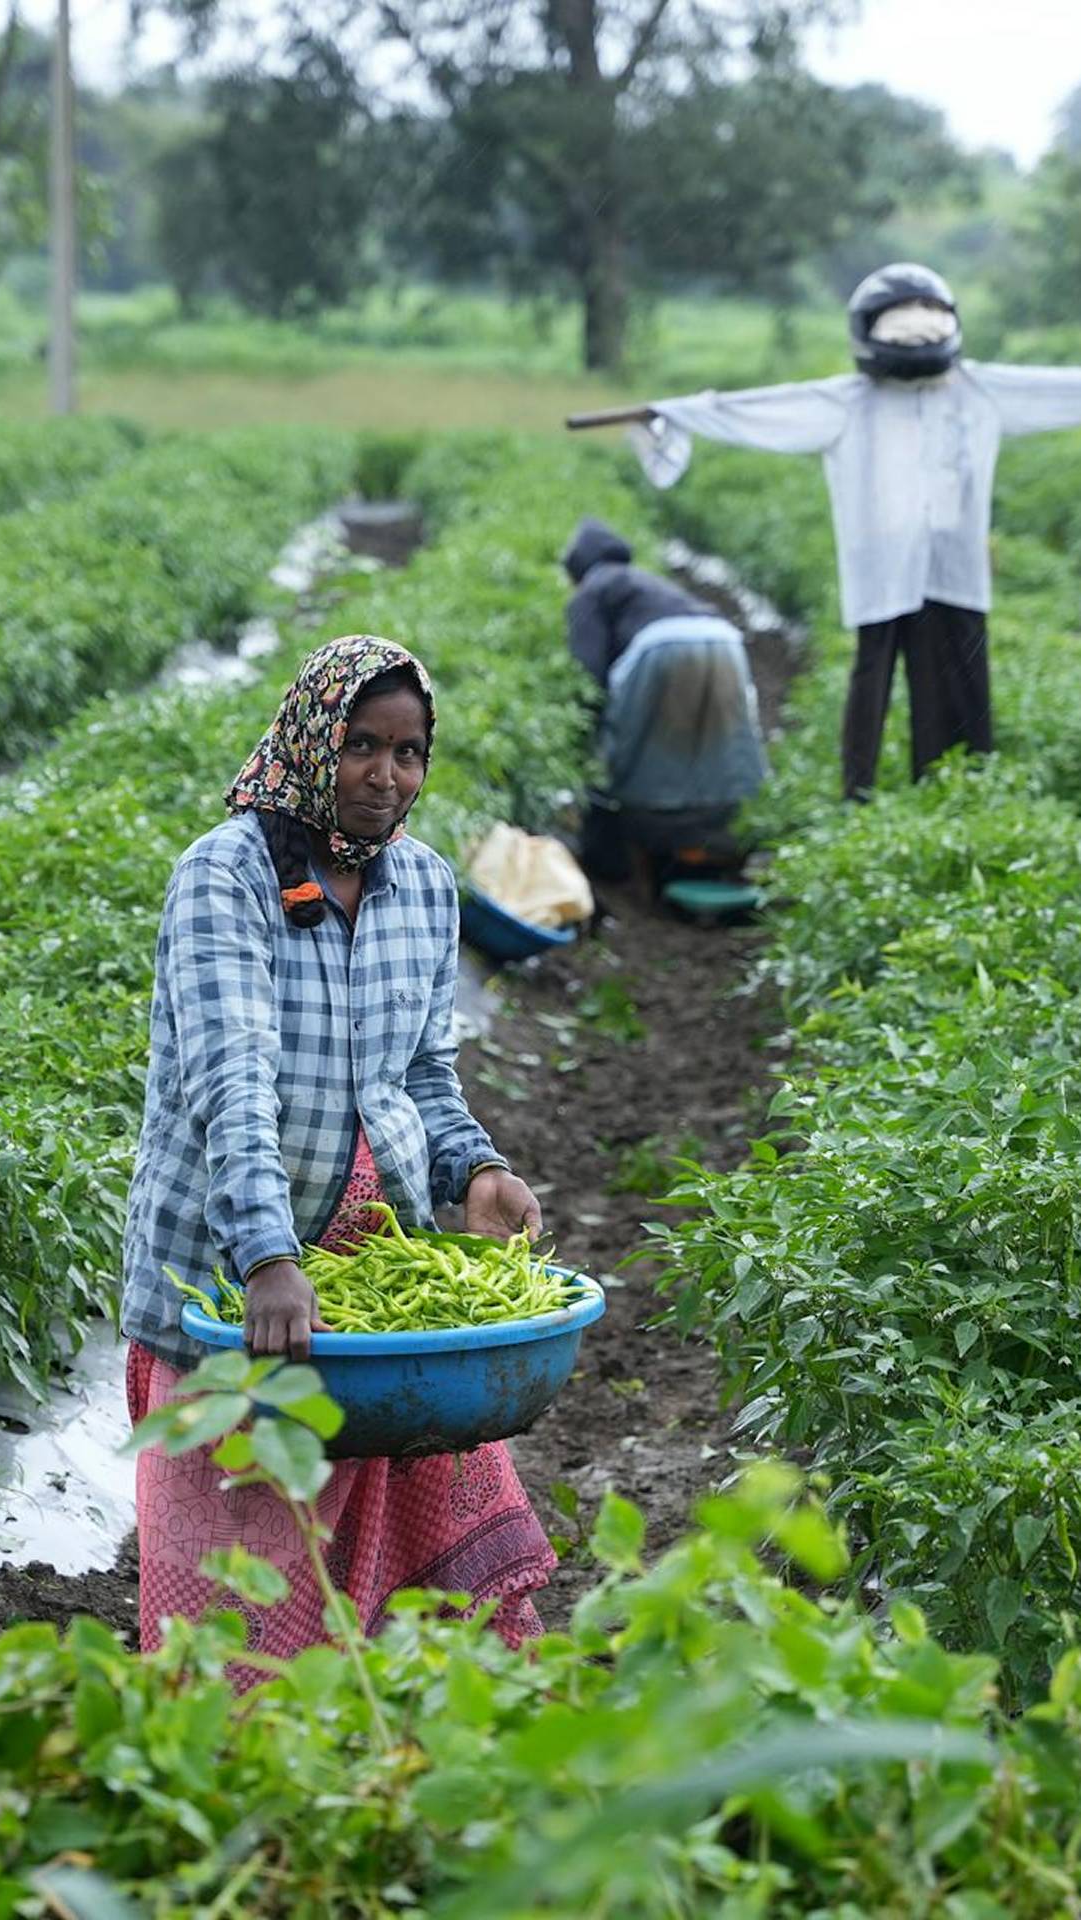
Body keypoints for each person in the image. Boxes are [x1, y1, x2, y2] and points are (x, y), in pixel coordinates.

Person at [121, 634, 555, 1671]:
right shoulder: (225, 877)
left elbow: (421, 1077)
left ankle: (398, 1756)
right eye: (363, 745)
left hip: (366, 1268)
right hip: (227, 1281)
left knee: (424, 1578)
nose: (386, 776)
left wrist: (476, 1171)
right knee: (243, 1608)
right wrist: (269, 1260)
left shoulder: (424, 889)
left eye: (409, 754)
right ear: (315, 738)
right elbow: (232, 1081)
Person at [570, 262, 1081, 798]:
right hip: (883, 564)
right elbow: (758, 410)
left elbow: (1061, 390)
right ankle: (878, 794)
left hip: (951, 561)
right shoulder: (850, 401)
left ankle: (952, 788)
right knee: (887, 676)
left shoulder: (980, 390)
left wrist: (678, 411)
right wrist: (681, 413)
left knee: (953, 677)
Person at [562, 516, 766, 883]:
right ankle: (726, 822)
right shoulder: (648, 582)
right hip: (724, 642)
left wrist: (588, 745)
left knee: (640, 744)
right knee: (722, 739)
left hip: (659, 649)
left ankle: (653, 833)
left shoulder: (590, 590)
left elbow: (587, 670)